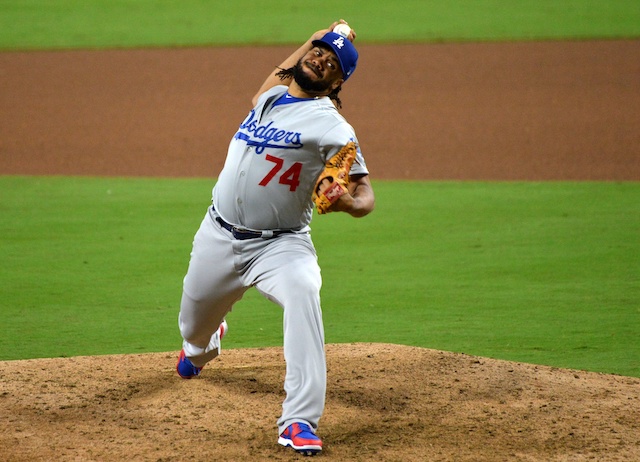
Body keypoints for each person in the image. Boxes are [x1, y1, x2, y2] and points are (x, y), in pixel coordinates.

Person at [175, 20, 375, 456]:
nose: (320, 58)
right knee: (192, 335)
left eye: (331, 62)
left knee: (305, 289)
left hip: (280, 245)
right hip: (217, 234)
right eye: (318, 51)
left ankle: (299, 420)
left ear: (339, 81)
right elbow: (285, 69)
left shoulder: (332, 126)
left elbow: (365, 194)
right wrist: (325, 33)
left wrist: (344, 203)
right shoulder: (270, 97)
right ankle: (205, 343)